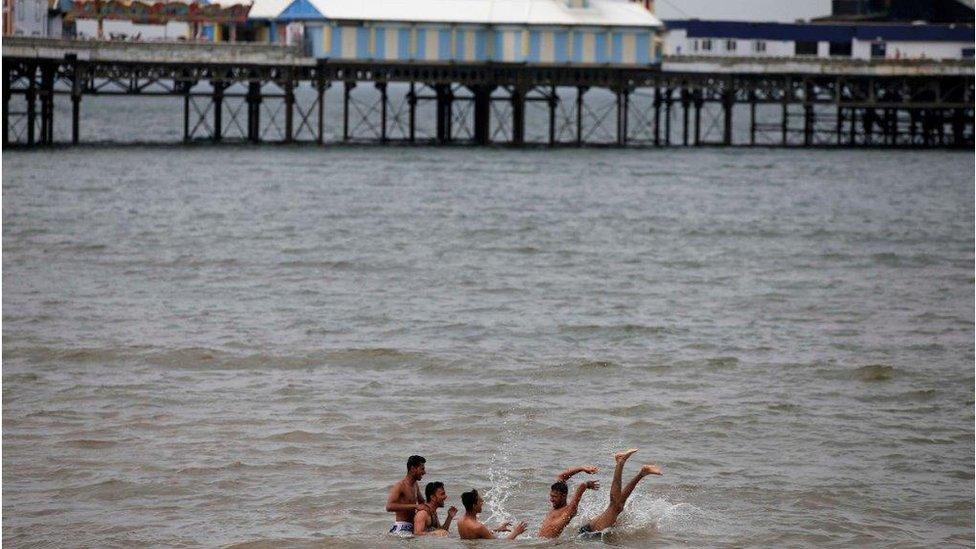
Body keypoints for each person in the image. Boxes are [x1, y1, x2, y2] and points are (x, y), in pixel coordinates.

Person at [577, 449, 662, 536]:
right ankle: (642, 472)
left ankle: (621, 462)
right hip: (591, 533)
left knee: (615, 506)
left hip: (589, 533)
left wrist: (583, 486)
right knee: (618, 505)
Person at [538, 464, 601, 538]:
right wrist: (582, 468)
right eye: (551, 496)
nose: (551, 500)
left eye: (554, 497)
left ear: (564, 496)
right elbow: (561, 477)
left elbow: (581, 486)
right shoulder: (555, 507)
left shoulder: (568, 511)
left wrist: (586, 484)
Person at [457, 489, 527, 540]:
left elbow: (478, 535)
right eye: (480, 501)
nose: (482, 502)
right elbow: (500, 544)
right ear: (474, 506)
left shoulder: (460, 521)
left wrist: (498, 529)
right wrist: (516, 532)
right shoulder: (478, 527)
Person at [386, 455, 426, 535]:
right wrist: (415, 506)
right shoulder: (400, 485)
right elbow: (389, 507)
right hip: (401, 528)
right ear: (413, 469)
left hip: (412, 527)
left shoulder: (415, 484)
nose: (424, 472)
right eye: (422, 469)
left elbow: (422, 502)